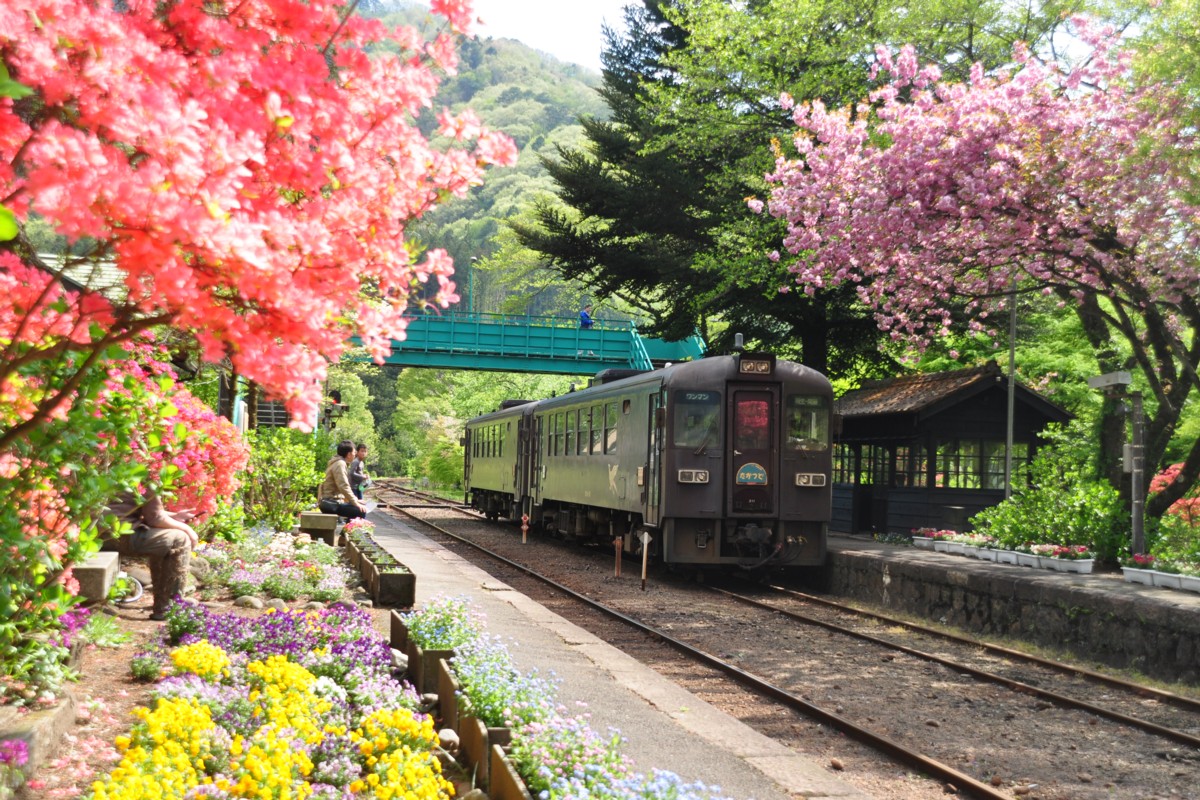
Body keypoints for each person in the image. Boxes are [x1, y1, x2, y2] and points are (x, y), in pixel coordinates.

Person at [106, 490, 199, 621]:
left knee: (164, 535)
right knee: (178, 539)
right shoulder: (147, 472)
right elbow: (155, 517)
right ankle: (169, 606)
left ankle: (165, 603)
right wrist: (187, 529)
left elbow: (139, 508)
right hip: (118, 535)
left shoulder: (108, 469)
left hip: (94, 534)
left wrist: (174, 516)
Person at [319, 440, 368, 519]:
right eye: (354, 452)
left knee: (360, 507)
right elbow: (343, 486)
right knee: (361, 511)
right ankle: (350, 531)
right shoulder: (340, 464)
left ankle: (348, 530)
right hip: (330, 503)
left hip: (330, 502)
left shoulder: (338, 462)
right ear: (348, 454)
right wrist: (355, 502)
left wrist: (355, 500)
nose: (355, 454)